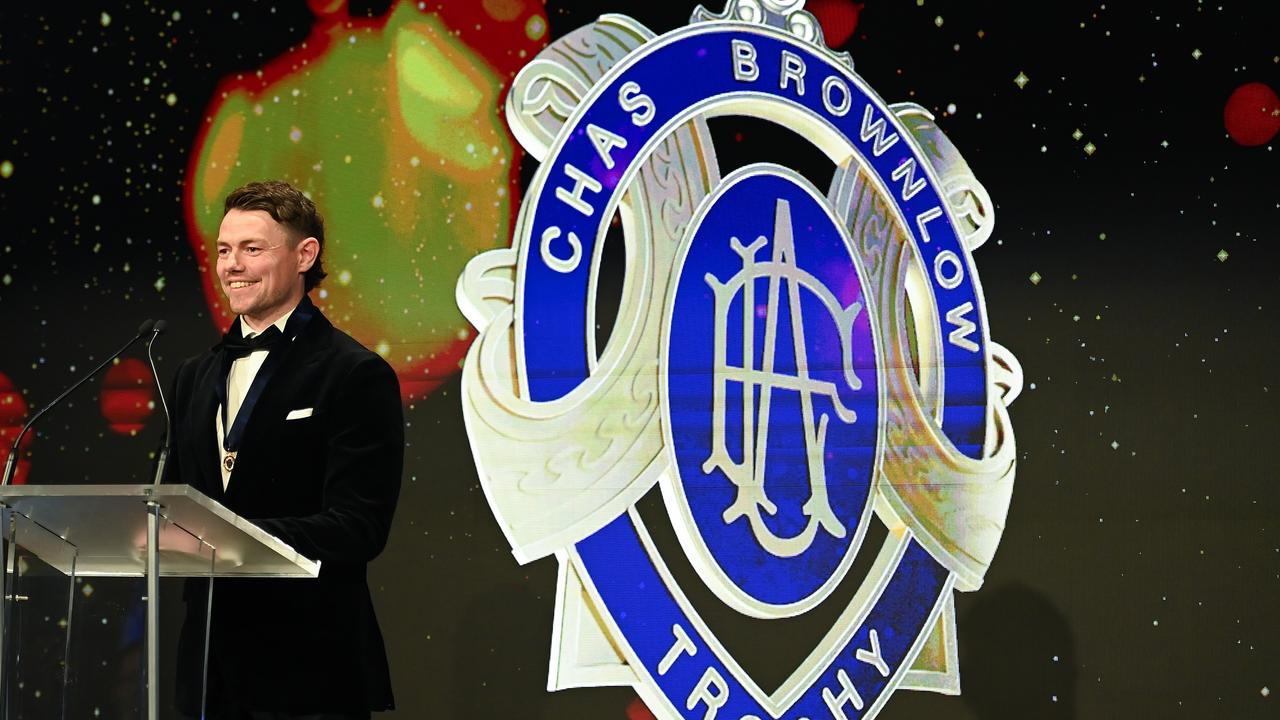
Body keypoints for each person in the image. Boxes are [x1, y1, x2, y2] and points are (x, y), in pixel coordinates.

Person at [165, 180, 402, 719]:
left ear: (305, 255)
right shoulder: (193, 377)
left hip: (309, 669)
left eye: (252, 249)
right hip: (208, 673)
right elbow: (173, 503)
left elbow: (359, 525)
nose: (232, 266)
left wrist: (234, 536)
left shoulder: (354, 374)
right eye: (224, 250)